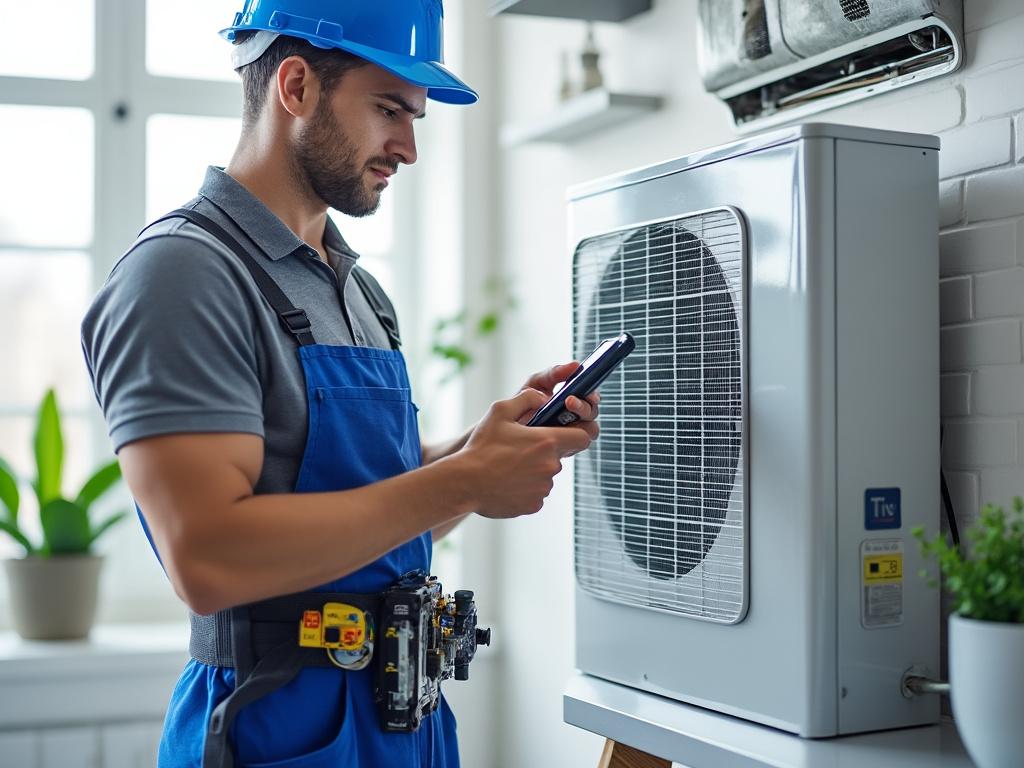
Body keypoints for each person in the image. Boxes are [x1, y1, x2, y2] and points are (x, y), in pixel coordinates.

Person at [80, 1, 599, 767]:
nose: (409, 147)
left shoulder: (355, 288)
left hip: (399, 721)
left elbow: (369, 511)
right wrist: (461, 484)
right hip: (272, 725)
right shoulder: (183, 275)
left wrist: (479, 452)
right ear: (296, 85)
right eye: (390, 108)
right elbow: (209, 557)